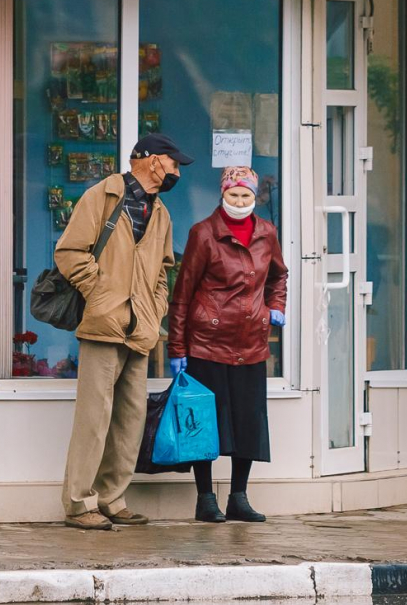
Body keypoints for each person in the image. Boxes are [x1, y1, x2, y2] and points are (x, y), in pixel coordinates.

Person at [55, 134, 194, 530]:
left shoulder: (160, 211)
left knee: (130, 418)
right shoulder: (103, 196)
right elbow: (69, 252)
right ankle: (80, 503)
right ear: (152, 161)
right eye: (174, 163)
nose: (177, 172)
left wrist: (154, 309)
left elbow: (164, 270)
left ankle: (112, 497)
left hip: (141, 328)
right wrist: (99, 292)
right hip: (103, 324)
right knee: (94, 418)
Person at [168, 166, 288, 524]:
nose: (239, 201)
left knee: (248, 422)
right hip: (207, 343)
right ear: (222, 196)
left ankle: (239, 496)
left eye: (246, 196)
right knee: (204, 424)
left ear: (255, 198)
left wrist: (276, 307)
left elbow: (279, 275)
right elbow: (183, 292)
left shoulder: (267, 232)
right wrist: (177, 348)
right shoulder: (203, 233)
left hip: (251, 342)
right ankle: (205, 498)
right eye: (233, 195)